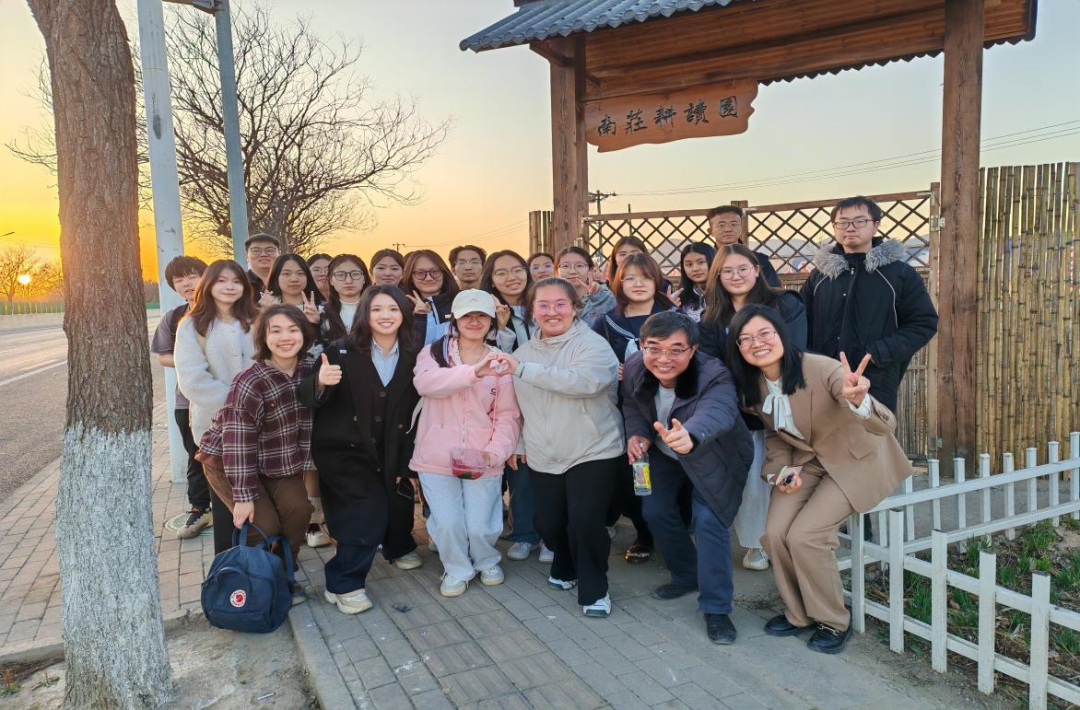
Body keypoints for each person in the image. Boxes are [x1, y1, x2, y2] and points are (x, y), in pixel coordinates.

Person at [727, 304, 913, 654]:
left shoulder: (823, 368)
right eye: (745, 338)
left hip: (855, 460)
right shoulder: (754, 386)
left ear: (781, 334)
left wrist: (859, 401)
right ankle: (799, 613)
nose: (757, 343)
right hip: (809, 462)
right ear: (738, 348)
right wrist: (780, 473)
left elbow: (885, 424)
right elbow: (777, 435)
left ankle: (833, 619)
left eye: (764, 333)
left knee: (805, 536)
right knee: (775, 534)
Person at [491, 277, 623, 618]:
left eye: (560, 304)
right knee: (549, 523)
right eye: (543, 305)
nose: (552, 312)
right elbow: (517, 405)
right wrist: (519, 443)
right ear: (532, 311)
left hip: (593, 448)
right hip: (543, 452)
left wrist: (524, 369)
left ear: (574, 307)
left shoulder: (592, 345)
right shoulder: (523, 353)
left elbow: (584, 383)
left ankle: (595, 589)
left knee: (585, 522)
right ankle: (565, 564)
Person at [622, 312, 753, 644]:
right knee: (654, 511)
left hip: (714, 454)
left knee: (709, 521)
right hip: (663, 454)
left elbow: (719, 409)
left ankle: (717, 608)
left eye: (676, 349)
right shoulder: (636, 366)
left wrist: (691, 434)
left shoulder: (713, 373)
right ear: (641, 346)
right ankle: (686, 574)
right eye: (654, 348)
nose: (664, 359)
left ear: (693, 349)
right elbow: (633, 405)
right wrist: (637, 434)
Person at [299, 286, 423, 614]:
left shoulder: (413, 354)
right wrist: (320, 382)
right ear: (364, 314)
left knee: (396, 498)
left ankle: (398, 546)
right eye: (377, 309)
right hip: (344, 448)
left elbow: (415, 410)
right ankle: (344, 583)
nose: (385, 316)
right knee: (363, 509)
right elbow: (306, 394)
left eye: (393, 309)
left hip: (391, 448)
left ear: (404, 314)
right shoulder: (340, 351)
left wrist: (407, 462)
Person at [196, 305, 317, 602]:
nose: (285, 337)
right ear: (263, 337)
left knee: (299, 510)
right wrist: (243, 495)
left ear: (304, 334)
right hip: (229, 460)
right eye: (276, 331)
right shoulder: (250, 380)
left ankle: (283, 571)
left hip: (276, 461)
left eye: (293, 329)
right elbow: (238, 440)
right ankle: (255, 585)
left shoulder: (311, 370)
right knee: (262, 525)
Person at [698, 243, 807, 572]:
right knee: (753, 480)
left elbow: (795, 350)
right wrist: (739, 398)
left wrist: (762, 393)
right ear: (717, 276)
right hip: (743, 412)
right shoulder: (712, 317)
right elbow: (712, 365)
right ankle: (756, 544)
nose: (736, 276)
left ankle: (792, 540)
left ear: (757, 270)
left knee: (792, 474)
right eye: (727, 271)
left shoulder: (784, 303)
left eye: (742, 268)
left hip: (786, 401)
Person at [410, 290, 521, 597]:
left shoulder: (501, 362)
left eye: (481, 315)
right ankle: (456, 567)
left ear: (491, 321)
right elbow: (425, 384)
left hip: (481, 455)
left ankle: (486, 559)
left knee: (480, 523)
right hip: (435, 454)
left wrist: (494, 453)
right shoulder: (434, 353)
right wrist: (473, 372)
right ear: (455, 320)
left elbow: (508, 415)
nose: (474, 321)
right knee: (447, 522)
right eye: (467, 316)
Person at [800, 196, 938, 414]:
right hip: (823, 378)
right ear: (834, 227)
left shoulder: (899, 274)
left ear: (875, 225)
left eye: (860, 221)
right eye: (843, 222)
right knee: (823, 433)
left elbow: (923, 323)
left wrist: (877, 352)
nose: (850, 228)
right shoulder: (820, 276)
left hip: (875, 380)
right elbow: (800, 322)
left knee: (871, 433)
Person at [592, 252, 677, 563]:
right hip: (623, 413)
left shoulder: (675, 319)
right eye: (629, 278)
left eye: (645, 277)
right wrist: (609, 370)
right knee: (632, 476)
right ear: (618, 282)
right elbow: (591, 363)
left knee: (671, 474)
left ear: (656, 280)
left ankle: (673, 531)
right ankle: (643, 534)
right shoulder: (606, 323)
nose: (638, 283)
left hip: (669, 409)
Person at [174, 259, 259, 553]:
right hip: (216, 428)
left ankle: (267, 564)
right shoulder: (192, 325)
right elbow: (193, 379)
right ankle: (230, 566)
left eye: (236, 281)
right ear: (208, 284)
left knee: (263, 502)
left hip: (261, 423)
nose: (229, 287)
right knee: (226, 506)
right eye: (222, 280)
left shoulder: (257, 320)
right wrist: (238, 405)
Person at [480, 251, 550, 563]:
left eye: (517, 269)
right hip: (507, 402)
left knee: (550, 473)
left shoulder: (543, 304)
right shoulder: (485, 313)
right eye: (501, 272)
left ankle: (551, 535)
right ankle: (525, 533)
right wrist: (501, 327)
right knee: (518, 471)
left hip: (547, 397)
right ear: (491, 280)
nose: (512, 277)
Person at [263, 254, 330, 547]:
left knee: (311, 454)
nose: (294, 279)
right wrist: (261, 314)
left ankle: (313, 521)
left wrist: (315, 323)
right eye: (286, 273)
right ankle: (285, 516)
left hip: (312, 386)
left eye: (300, 273)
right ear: (275, 277)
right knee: (284, 451)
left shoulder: (320, 308)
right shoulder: (264, 308)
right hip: (275, 390)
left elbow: (329, 348)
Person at [150, 255, 210, 539]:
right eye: (179, 280)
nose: (187, 283)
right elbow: (162, 356)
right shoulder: (174, 317)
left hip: (228, 398)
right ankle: (200, 508)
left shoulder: (226, 311)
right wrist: (189, 359)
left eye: (192, 276)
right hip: (187, 401)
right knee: (196, 455)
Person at [707, 206, 780, 287]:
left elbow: (774, 290)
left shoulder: (759, 260)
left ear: (741, 228)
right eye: (721, 225)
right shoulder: (705, 261)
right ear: (710, 231)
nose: (728, 229)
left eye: (734, 224)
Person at [403, 249, 459, 345]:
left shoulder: (461, 302)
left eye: (435, 271)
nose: (428, 278)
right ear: (410, 277)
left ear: (444, 273)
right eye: (420, 273)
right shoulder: (402, 308)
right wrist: (421, 317)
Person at [554, 246, 615, 327]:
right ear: (556, 272)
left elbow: (615, 318)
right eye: (565, 266)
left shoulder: (603, 297)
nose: (572, 271)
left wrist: (598, 296)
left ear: (590, 270)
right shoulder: (548, 300)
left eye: (579, 266)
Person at [322, 254, 371, 342]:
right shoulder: (321, 313)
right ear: (331, 280)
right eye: (340, 275)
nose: (348, 281)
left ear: (364, 278)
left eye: (355, 274)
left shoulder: (376, 309)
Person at [677, 243, 714, 323]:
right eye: (689, 264)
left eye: (701, 262)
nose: (695, 269)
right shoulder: (680, 299)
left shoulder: (727, 293)